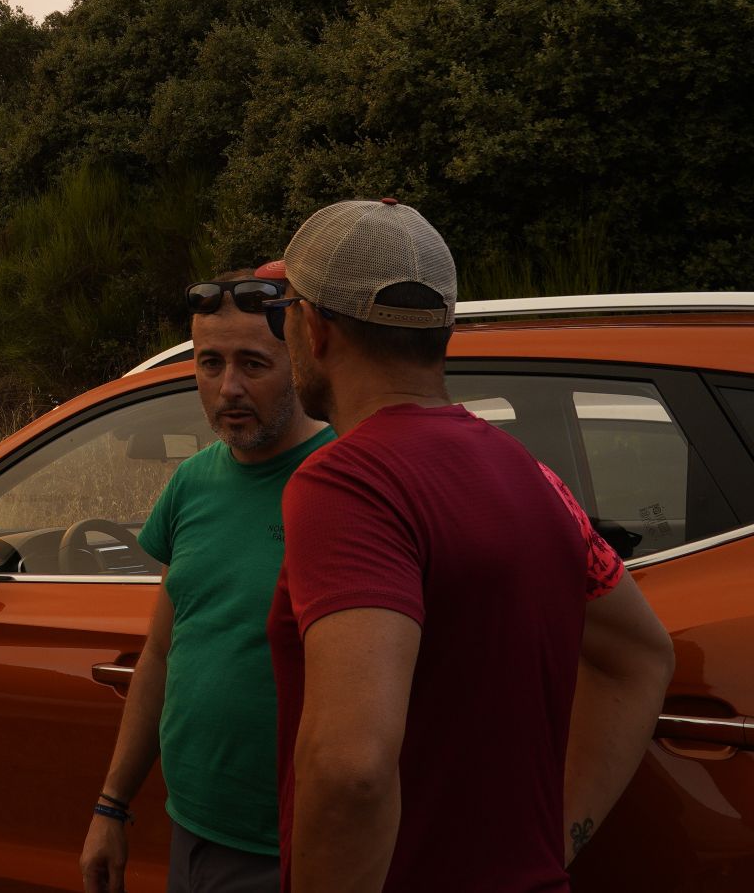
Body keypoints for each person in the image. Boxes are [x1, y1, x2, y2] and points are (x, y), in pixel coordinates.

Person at [263, 198, 674, 893]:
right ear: (442, 329)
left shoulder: (348, 481)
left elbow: (352, 767)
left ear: (314, 326)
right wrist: (556, 841)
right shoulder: (536, 476)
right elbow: (641, 656)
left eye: (283, 317)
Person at [81, 265, 332, 893]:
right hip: (189, 828)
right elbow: (163, 653)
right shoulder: (192, 483)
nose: (227, 390)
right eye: (209, 363)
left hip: (294, 848)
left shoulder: (342, 484)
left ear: (300, 361)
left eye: (253, 364)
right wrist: (112, 804)